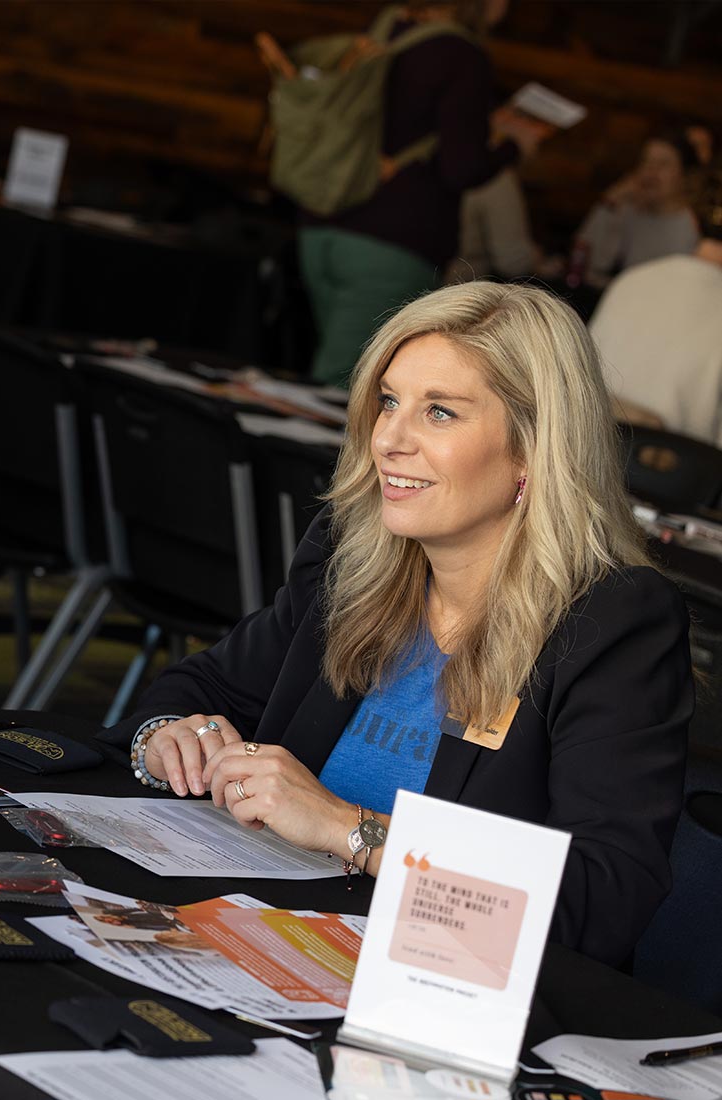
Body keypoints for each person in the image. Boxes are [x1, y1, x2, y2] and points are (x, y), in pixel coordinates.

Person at [101, 281, 693, 968]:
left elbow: (601, 900)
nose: (388, 438)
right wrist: (170, 737)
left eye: (438, 412)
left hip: (444, 994)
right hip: (266, 941)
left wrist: (344, 828)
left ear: (532, 451)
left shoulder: (612, 623)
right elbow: (198, 687)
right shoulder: (351, 560)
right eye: (388, 401)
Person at [299, 0, 547, 386]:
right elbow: (460, 169)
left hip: (321, 229)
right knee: (350, 388)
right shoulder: (462, 55)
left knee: (337, 372)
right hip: (390, 245)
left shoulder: (383, 28)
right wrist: (514, 146)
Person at [588, 170, 722, 444]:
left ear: (693, 221)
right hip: (682, 479)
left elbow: (579, 381)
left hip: (594, 457)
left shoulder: (631, 281)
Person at [571, 128, 702, 288]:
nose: (650, 172)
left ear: (685, 175)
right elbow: (586, 261)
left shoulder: (695, 228)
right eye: (646, 161)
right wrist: (611, 200)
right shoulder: (630, 213)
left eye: (663, 164)